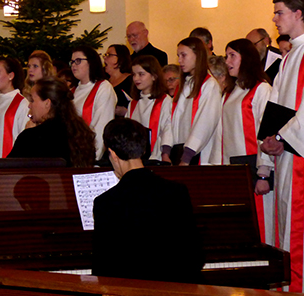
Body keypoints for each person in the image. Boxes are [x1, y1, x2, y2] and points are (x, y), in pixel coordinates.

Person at [260, 0, 304, 294]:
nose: (274, 19)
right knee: (287, 224)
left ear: (298, 14)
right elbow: (275, 103)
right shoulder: (288, 58)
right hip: (286, 156)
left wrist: (284, 139)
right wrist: (269, 138)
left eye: (279, 12)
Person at [92, 118, 203, 282]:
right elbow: (196, 257)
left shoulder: (106, 202)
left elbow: (103, 268)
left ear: (113, 154)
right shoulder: (177, 192)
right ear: (143, 150)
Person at [210, 38, 273, 245]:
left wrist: (264, 172)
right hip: (233, 169)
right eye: (226, 55)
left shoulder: (261, 89)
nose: (227, 61)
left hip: (254, 169)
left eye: (232, 56)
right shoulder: (231, 91)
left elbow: (266, 130)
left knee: (261, 226)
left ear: (245, 58)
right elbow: (221, 133)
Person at [8, 78, 96, 167]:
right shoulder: (81, 133)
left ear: (47, 103)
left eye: (32, 100)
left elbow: (7, 170)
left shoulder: (30, 138)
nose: (29, 105)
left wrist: (28, 134)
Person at [171, 37, 221, 165]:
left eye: (183, 55)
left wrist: (187, 156)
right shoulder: (184, 84)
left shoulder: (209, 85)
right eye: (178, 56)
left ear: (198, 55)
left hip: (196, 154)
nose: (179, 60)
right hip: (179, 151)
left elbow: (205, 123)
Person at [71, 46, 117, 160]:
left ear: (91, 62)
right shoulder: (72, 91)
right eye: (71, 62)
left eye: (78, 61)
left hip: (90, 157)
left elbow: (102, 127)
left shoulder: (103, 87)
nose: (73, 65)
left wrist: (93, 159)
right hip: (72, 154)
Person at [126, 56, 172, 162]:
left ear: (154, 76)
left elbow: (167, 129)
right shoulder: (133, 104)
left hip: (156, 157)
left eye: (141, 74)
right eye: (134, 75)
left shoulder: (164, 101)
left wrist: (165, 153)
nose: (136, 79)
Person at [103, 44, 132, 117]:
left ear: (120, 58)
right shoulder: (104, 82)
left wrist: (126, 111)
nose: (104, 57)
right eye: (105, 55)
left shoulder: (131, 80)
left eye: (109, 55)